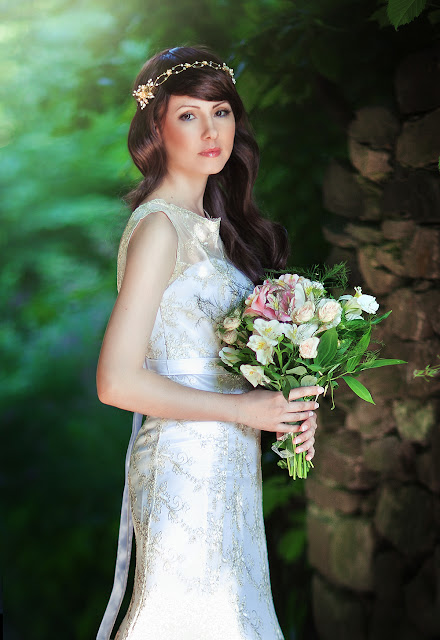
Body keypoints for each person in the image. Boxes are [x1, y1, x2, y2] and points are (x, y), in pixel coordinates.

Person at [96, 45, 322, 640]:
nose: (210, 129)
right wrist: (241, 408)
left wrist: (285, 404)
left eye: (220, 111)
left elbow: (226, 360)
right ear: (156, 127)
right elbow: (116, 381)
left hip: (228, 460)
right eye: (189, 114)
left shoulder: (217, 232)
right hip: (183, 466)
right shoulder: (158, 227)